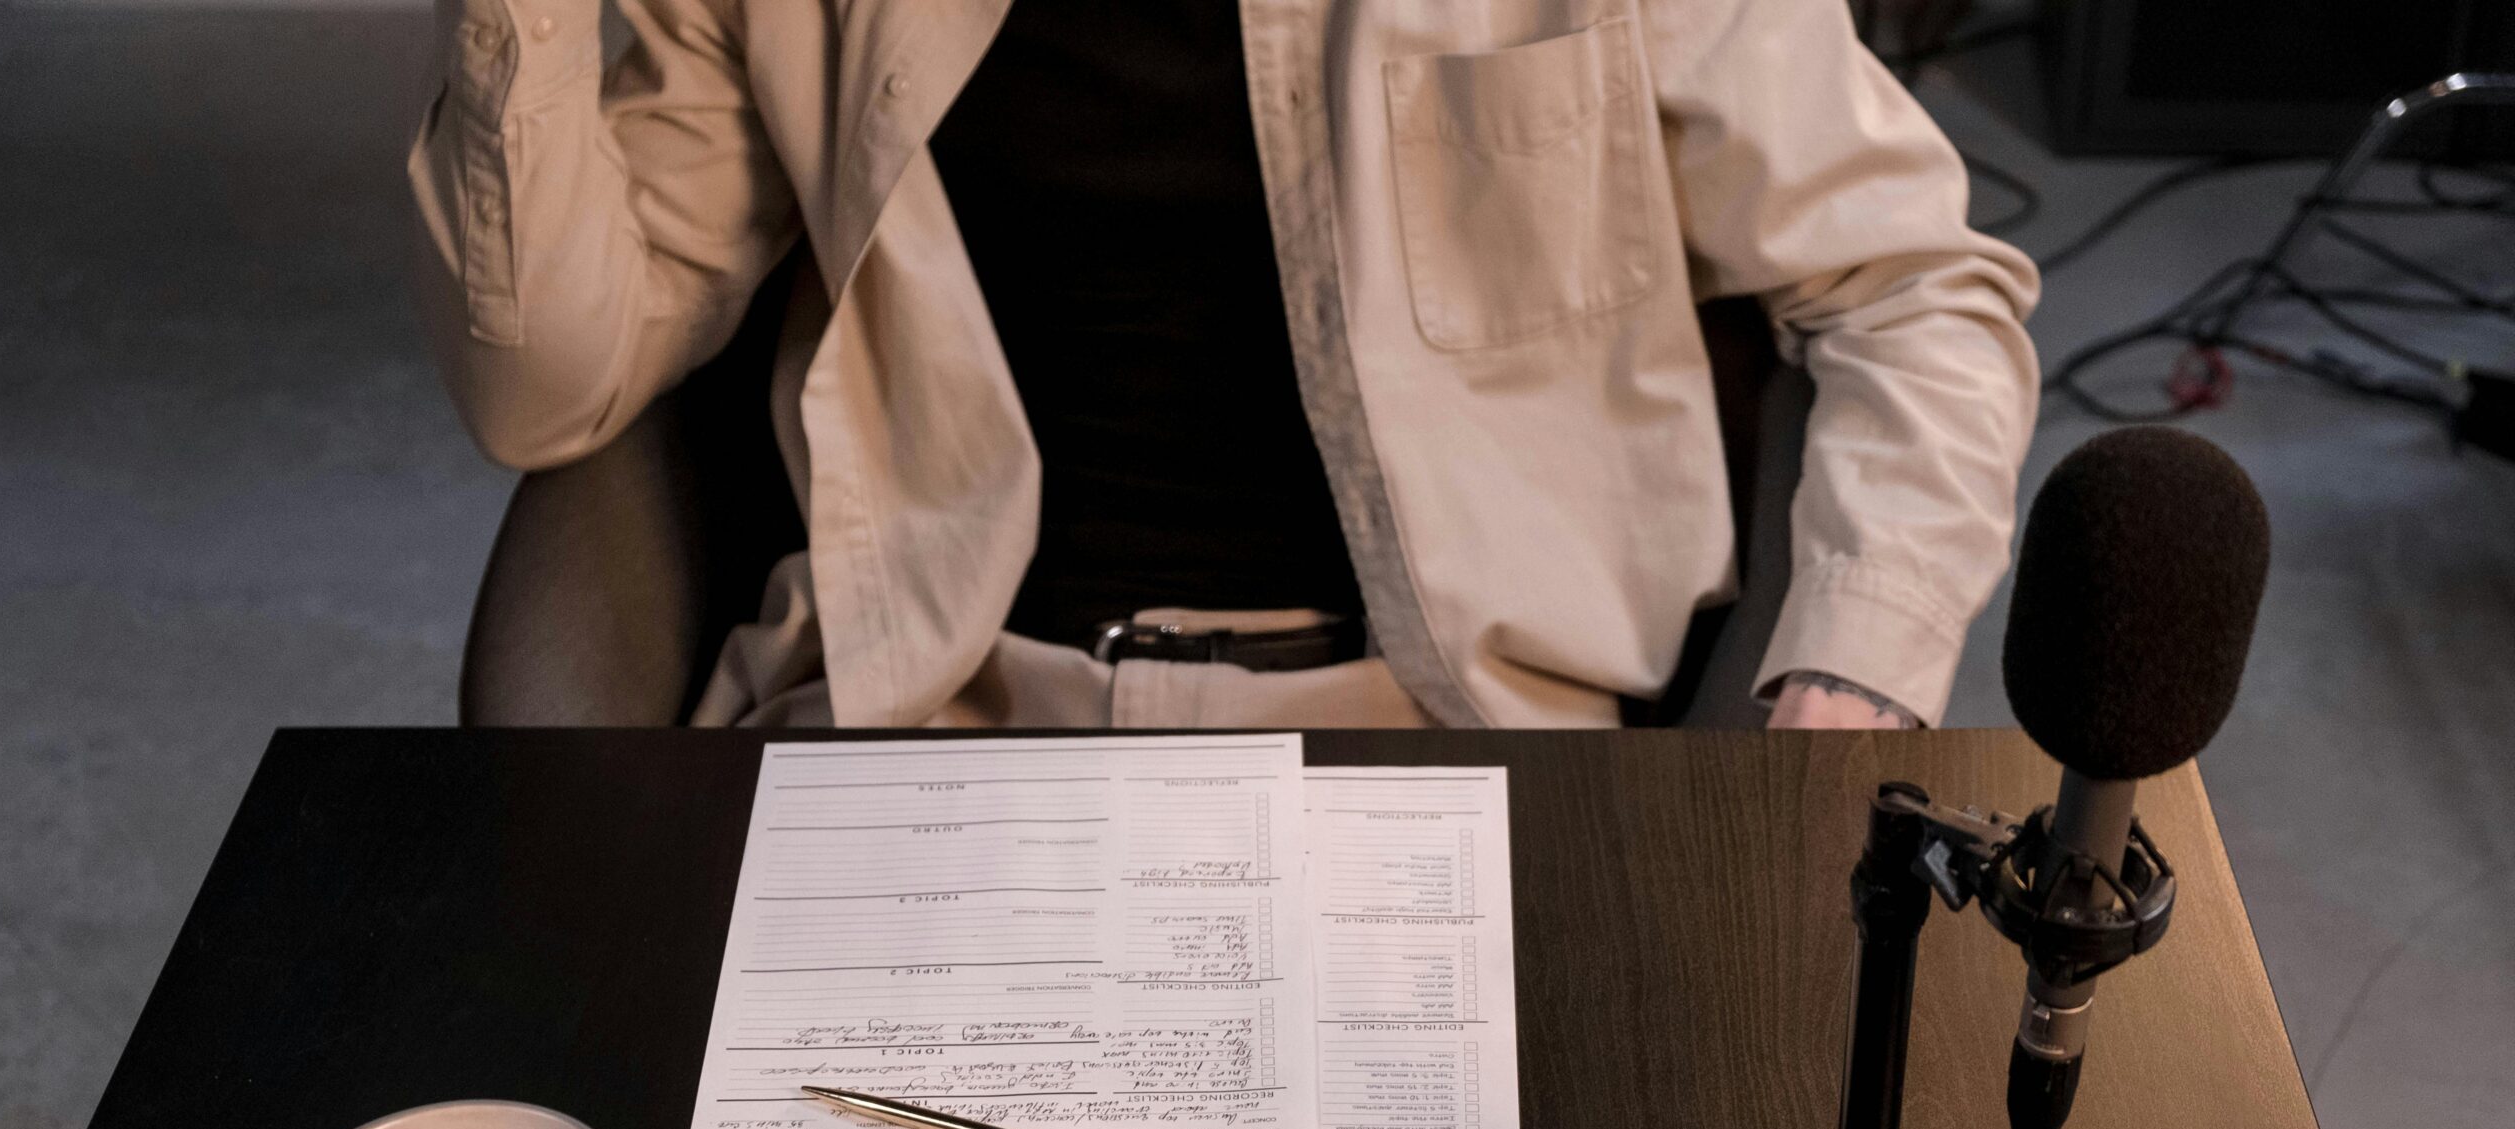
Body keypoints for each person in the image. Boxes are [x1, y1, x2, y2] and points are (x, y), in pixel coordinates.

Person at [408, 0, 2037, 731]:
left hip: (1443, 730)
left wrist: (1844, 682)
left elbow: (1911, 288)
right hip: (941, 707)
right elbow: (552, 386)